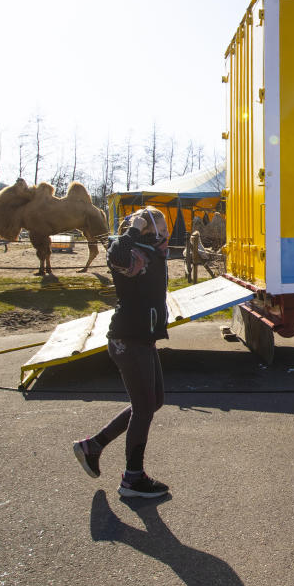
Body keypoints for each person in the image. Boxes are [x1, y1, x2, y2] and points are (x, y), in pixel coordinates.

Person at [73, 206, 171, 498]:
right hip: (128, 341)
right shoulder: (133, 252)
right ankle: (132, 479)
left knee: (154, 402)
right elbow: (115, 255)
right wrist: (133, 228)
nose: (168, 233)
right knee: (144, 408)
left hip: (142, 338)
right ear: (149, 231)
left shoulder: (151, 252)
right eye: (163, 228)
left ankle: (93, 446)